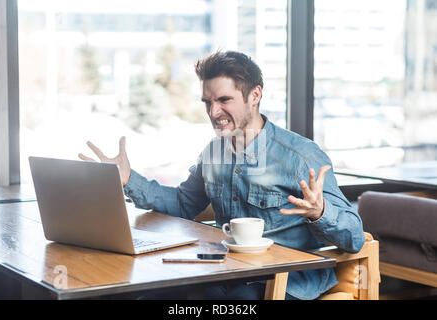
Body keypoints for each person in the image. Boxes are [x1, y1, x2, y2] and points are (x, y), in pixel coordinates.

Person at [79, 51, 365, 300]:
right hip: (224, 274)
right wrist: (129, 180)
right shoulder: (214, 152)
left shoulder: (301, 156)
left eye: (224, 100)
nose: (214, 112)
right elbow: (183, 204)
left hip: (285, 282)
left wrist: (320, 211)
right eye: (207, 102)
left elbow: (354, 238)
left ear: (255, 95)